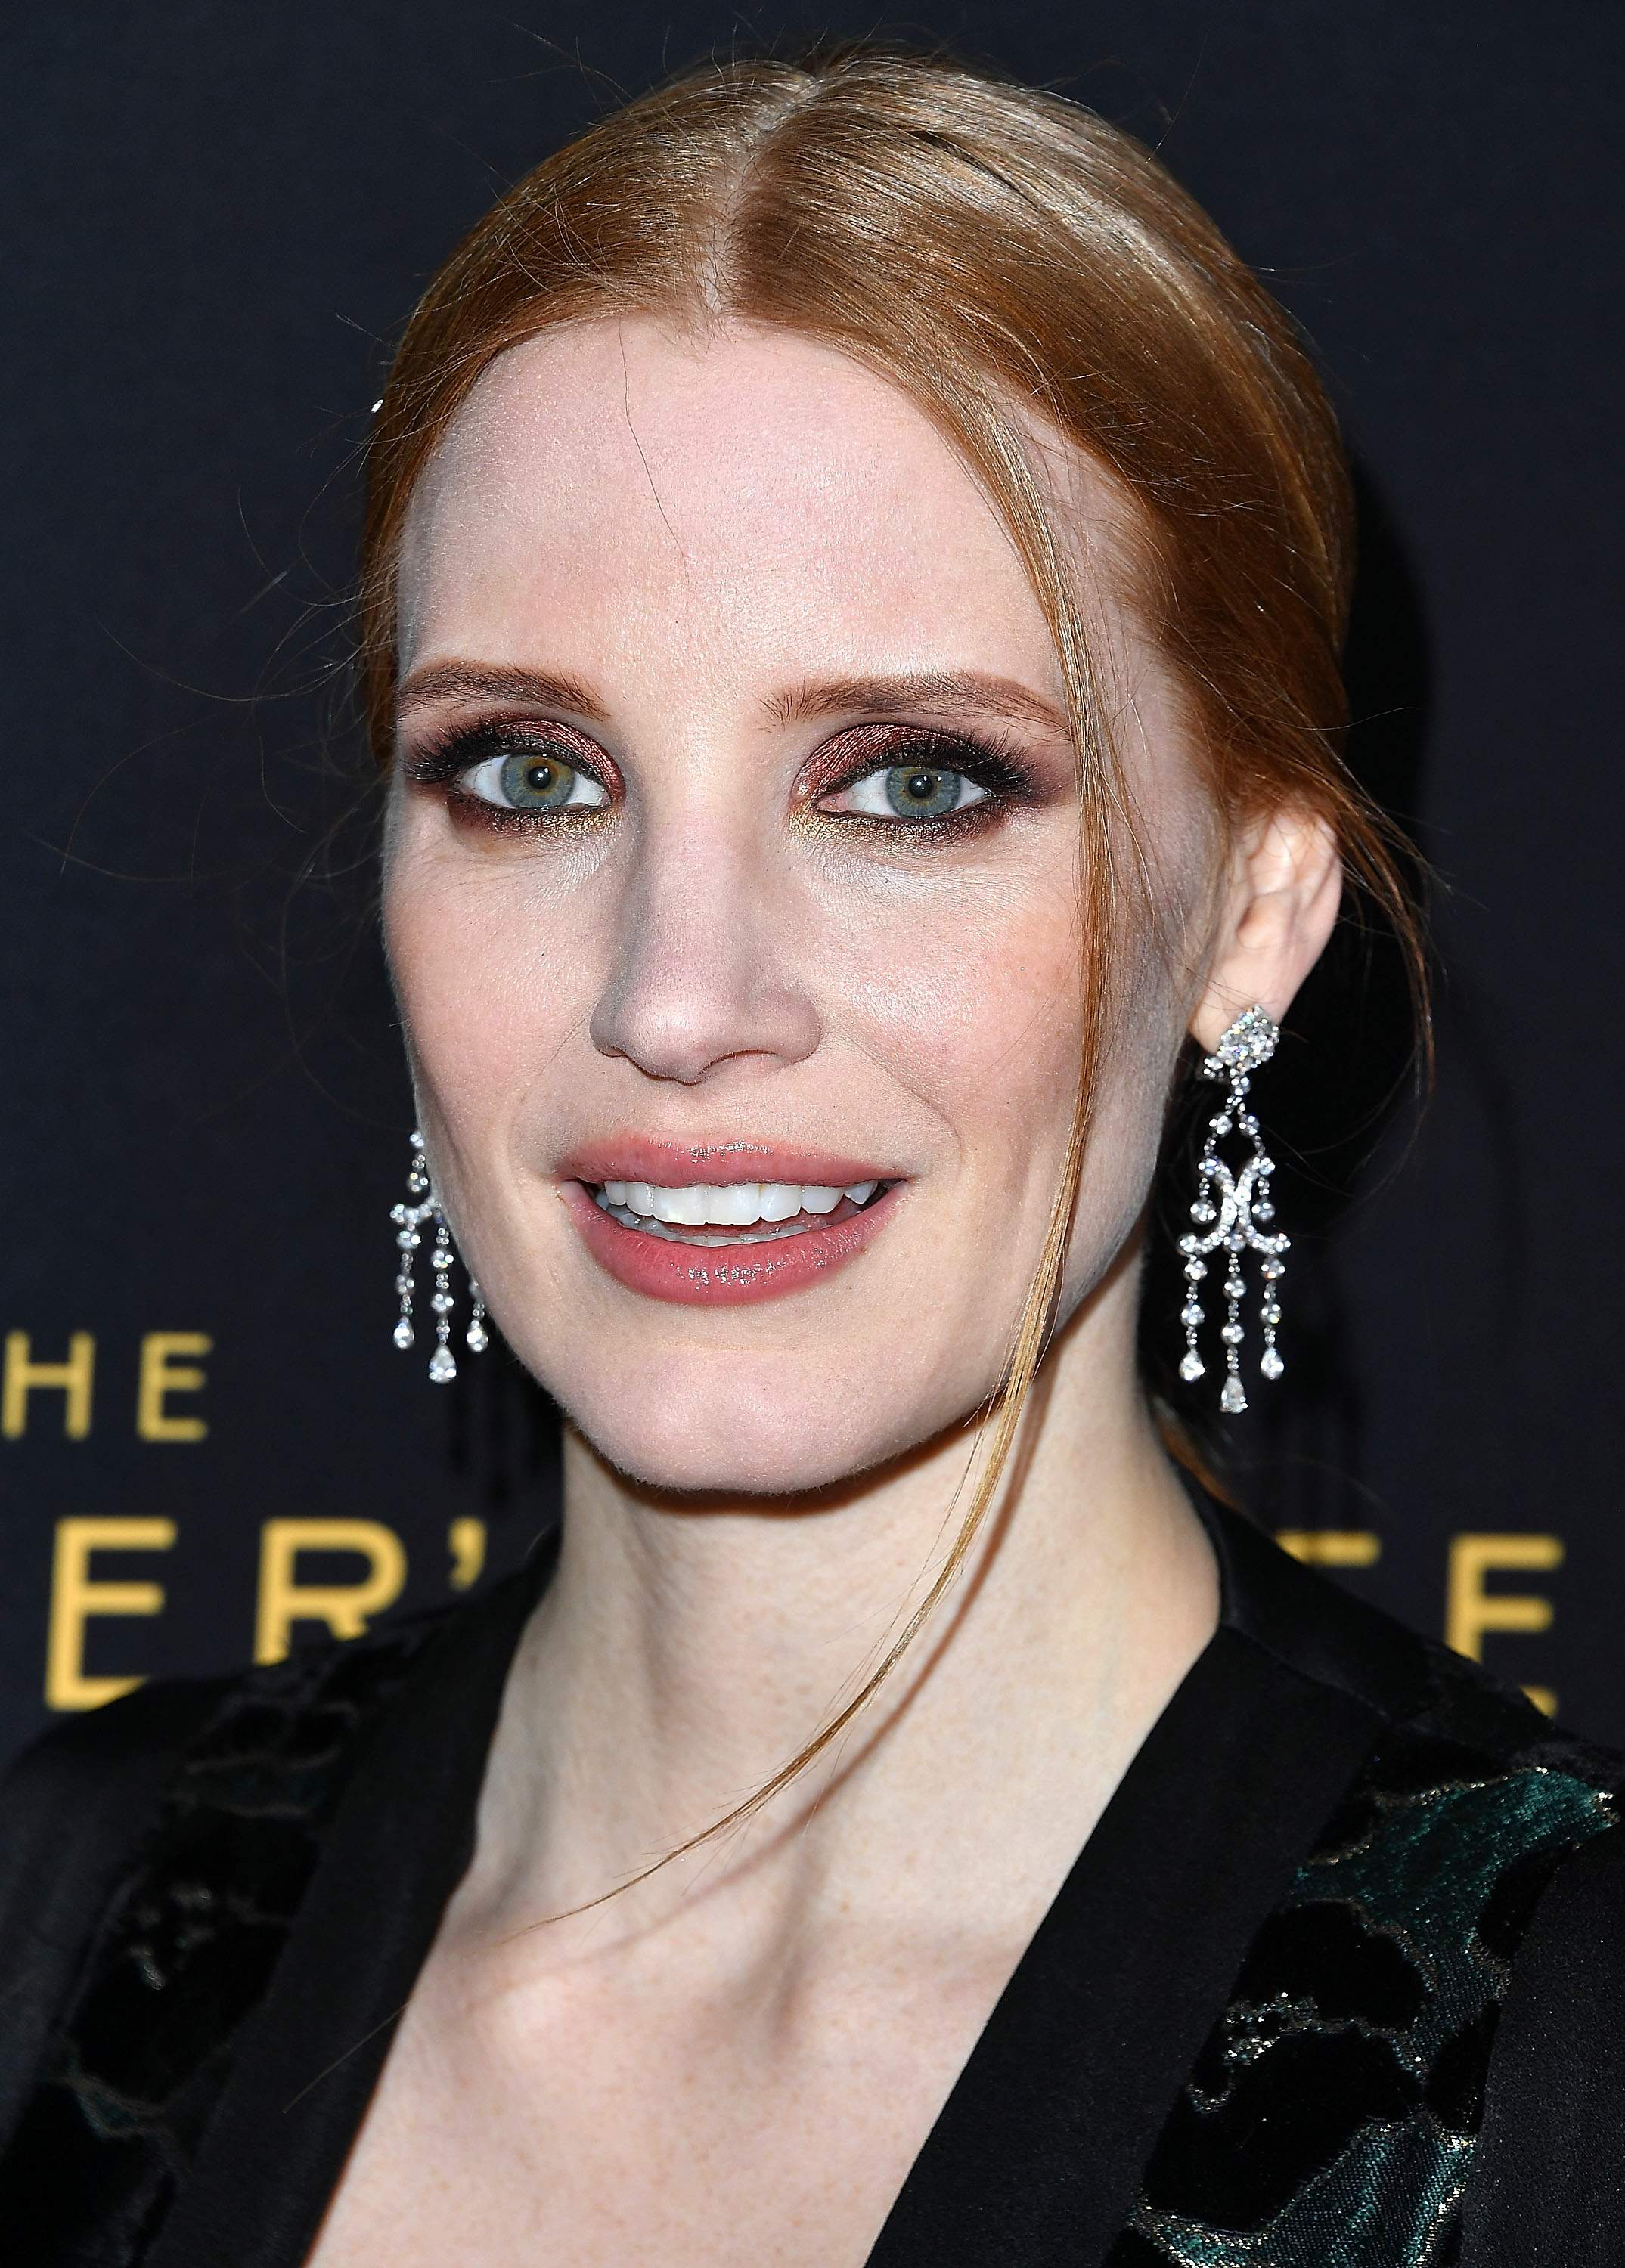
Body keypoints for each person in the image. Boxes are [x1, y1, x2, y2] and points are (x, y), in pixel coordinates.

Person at [2, 42, 1620, 2268]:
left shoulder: (1555, 2053)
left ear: (1254, 911)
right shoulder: (78, 1909)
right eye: (531, 775)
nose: (676, 1000)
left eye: (914, 783)